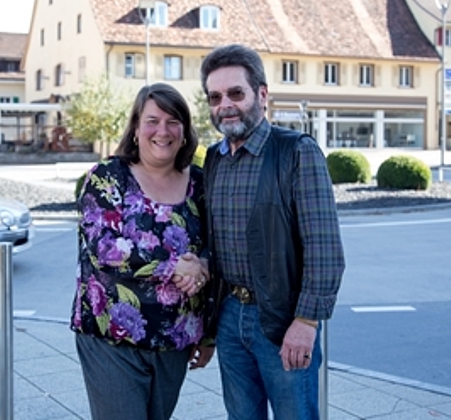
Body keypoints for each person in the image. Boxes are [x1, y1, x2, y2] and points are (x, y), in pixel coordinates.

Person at [200, 44, 346, 419]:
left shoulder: (296, 151)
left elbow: (325, 248)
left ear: (261, 95)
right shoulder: (214, 158)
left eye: (236, 93)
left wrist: (306, 322)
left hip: (282, 318)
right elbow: (214, 241)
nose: (225, 105)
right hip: (230, 318)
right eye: (215, 97)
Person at [71, 83, 214, 420]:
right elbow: (103, 248)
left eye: (173, 121)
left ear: (184, 131)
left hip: (175, 339)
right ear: (135, 128)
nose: (162, 130)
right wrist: (175, 266)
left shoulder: (201, 183)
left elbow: (217, 247)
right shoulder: (107, 177)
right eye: (152, 120)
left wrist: (208, 332)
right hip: (112, 340)